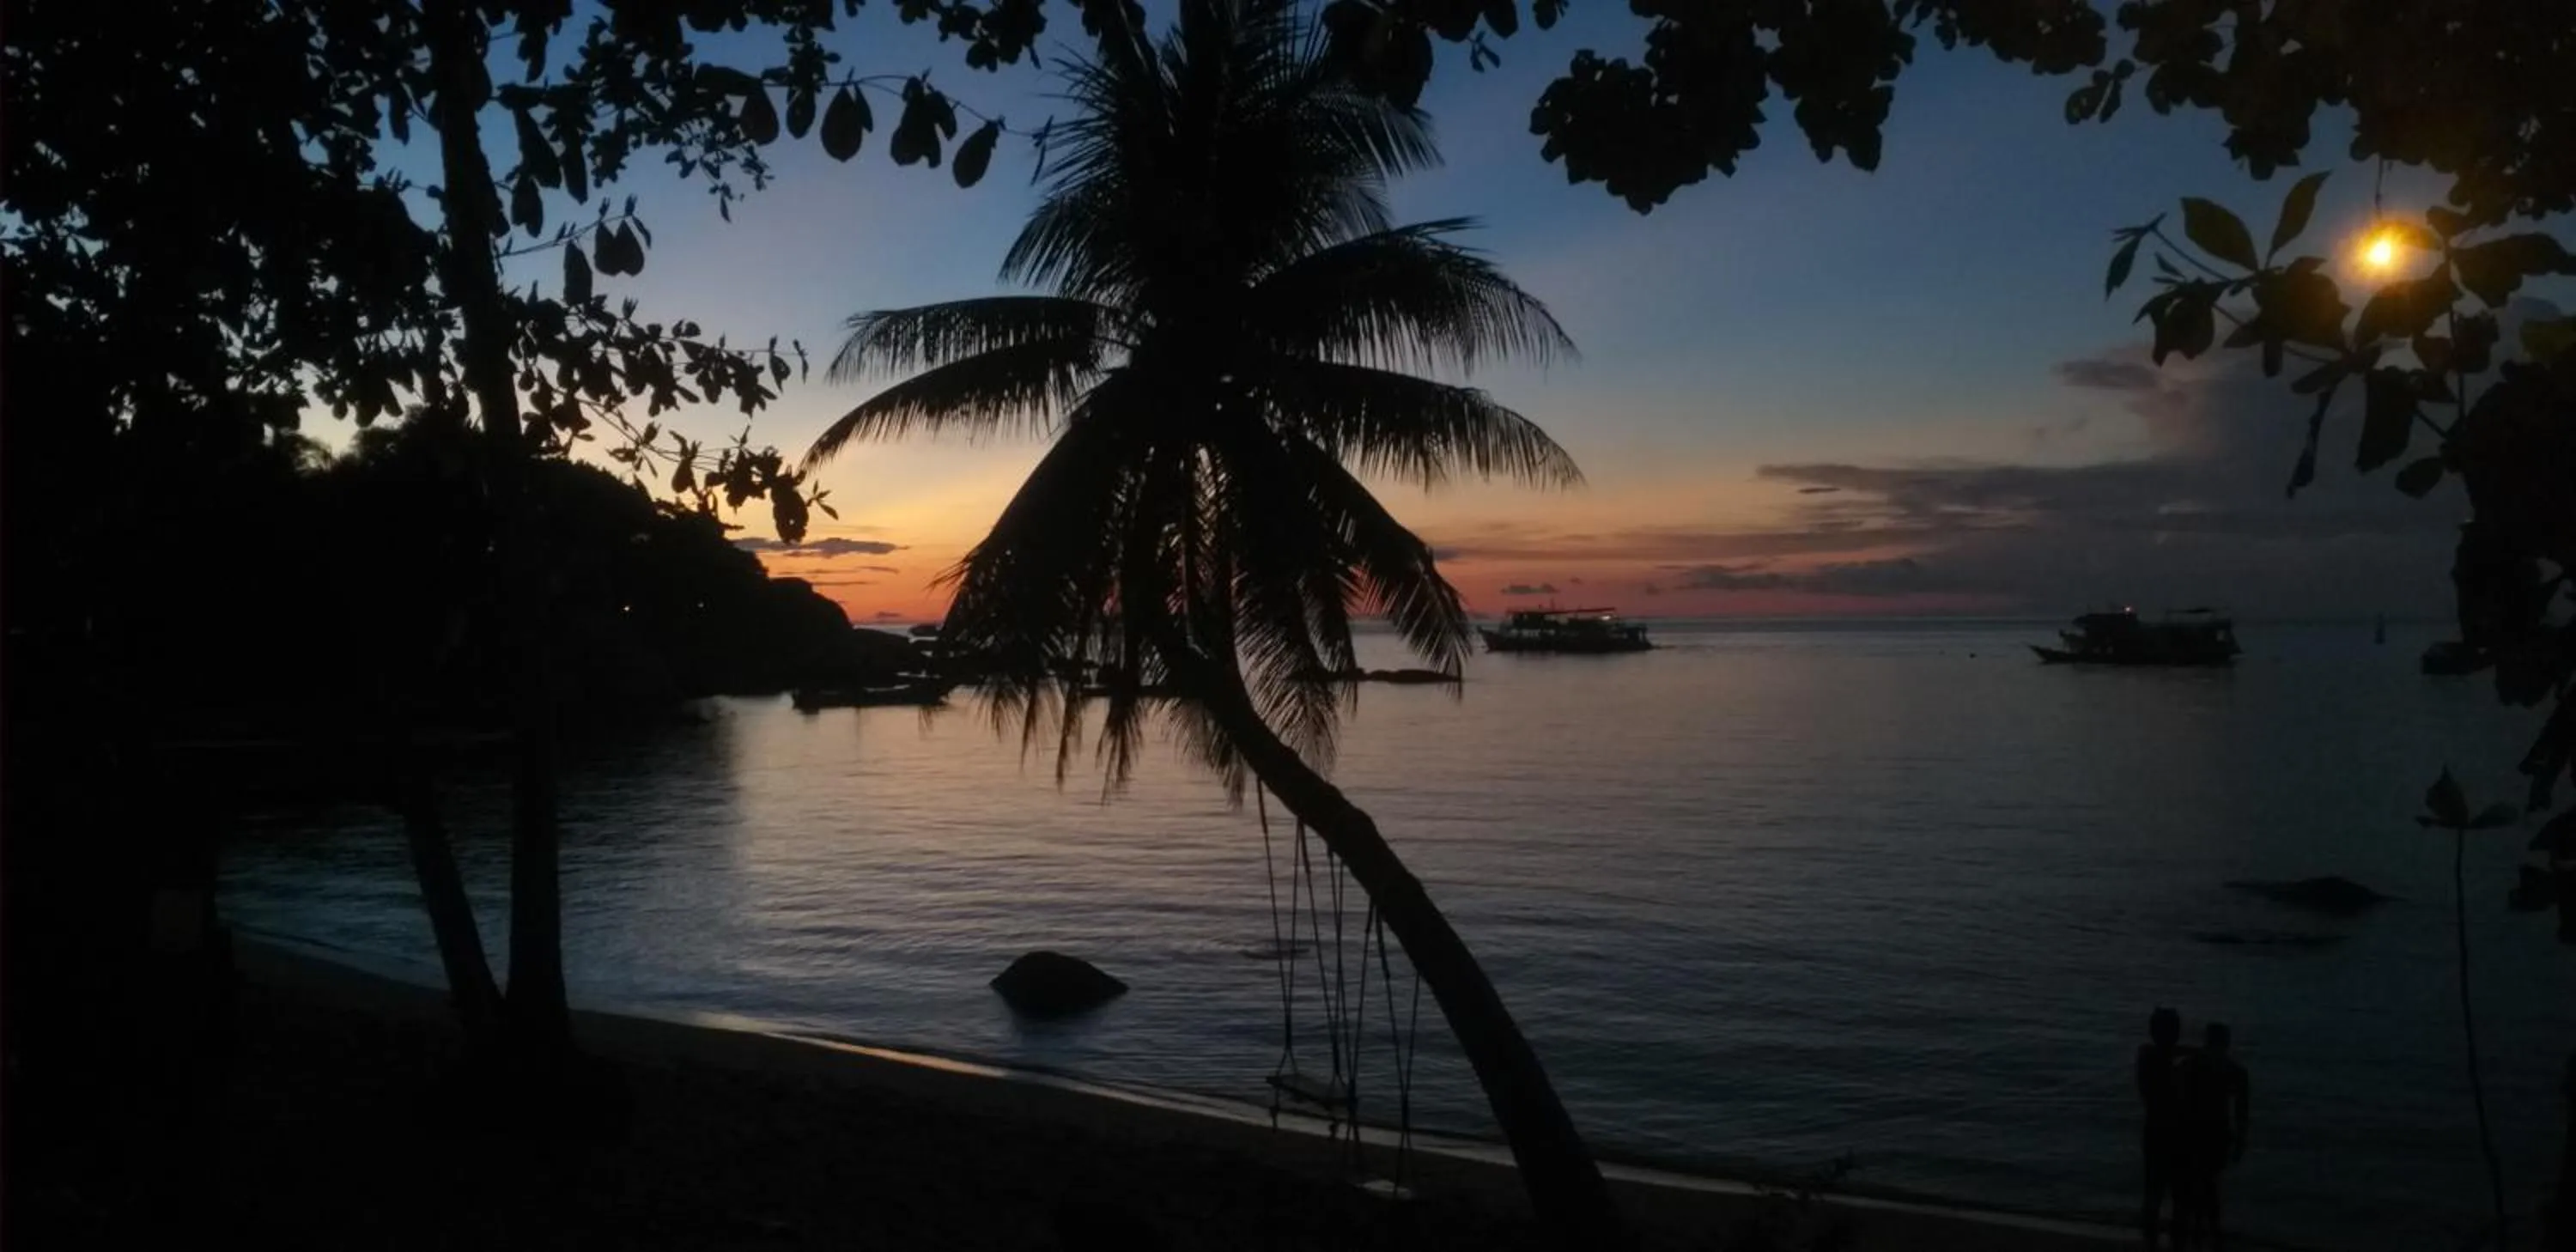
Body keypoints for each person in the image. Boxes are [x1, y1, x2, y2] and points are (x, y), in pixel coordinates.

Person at [2175, 1022, 2250, 1250]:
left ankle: (2194, 1234)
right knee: (2210, 1186)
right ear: (2226, 1042)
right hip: (2217, 1133)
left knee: (2192, 1187)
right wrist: (2240, 1141)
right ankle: (2212, 1234)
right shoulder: (2235, 1070)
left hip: (2191, 1131)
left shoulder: (2190, 1065)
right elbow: (2241, 1111)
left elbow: (2176, 1097)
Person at [2136, 1007, 2190, 1248]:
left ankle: (2151, 1239)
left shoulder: (2147, 1055)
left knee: (2154, 1191)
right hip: (2173, 1134)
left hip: (2155, 1131)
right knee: (2177, 1195)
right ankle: (2173, 1240)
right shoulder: (2168, 1064)